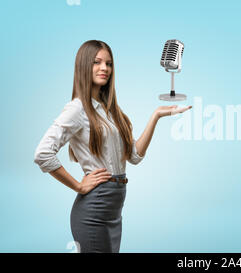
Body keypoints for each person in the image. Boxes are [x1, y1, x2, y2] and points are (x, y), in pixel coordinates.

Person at [33, 40, 192, 253]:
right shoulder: (77, 108)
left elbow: (134, 156)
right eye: (97, 62)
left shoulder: (110, 112)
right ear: (83, 66)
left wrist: (156, 116)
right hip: (95, 209)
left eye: (108, 64)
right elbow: (43, 153)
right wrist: (78, 186)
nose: (104, 68)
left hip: (114, 208)